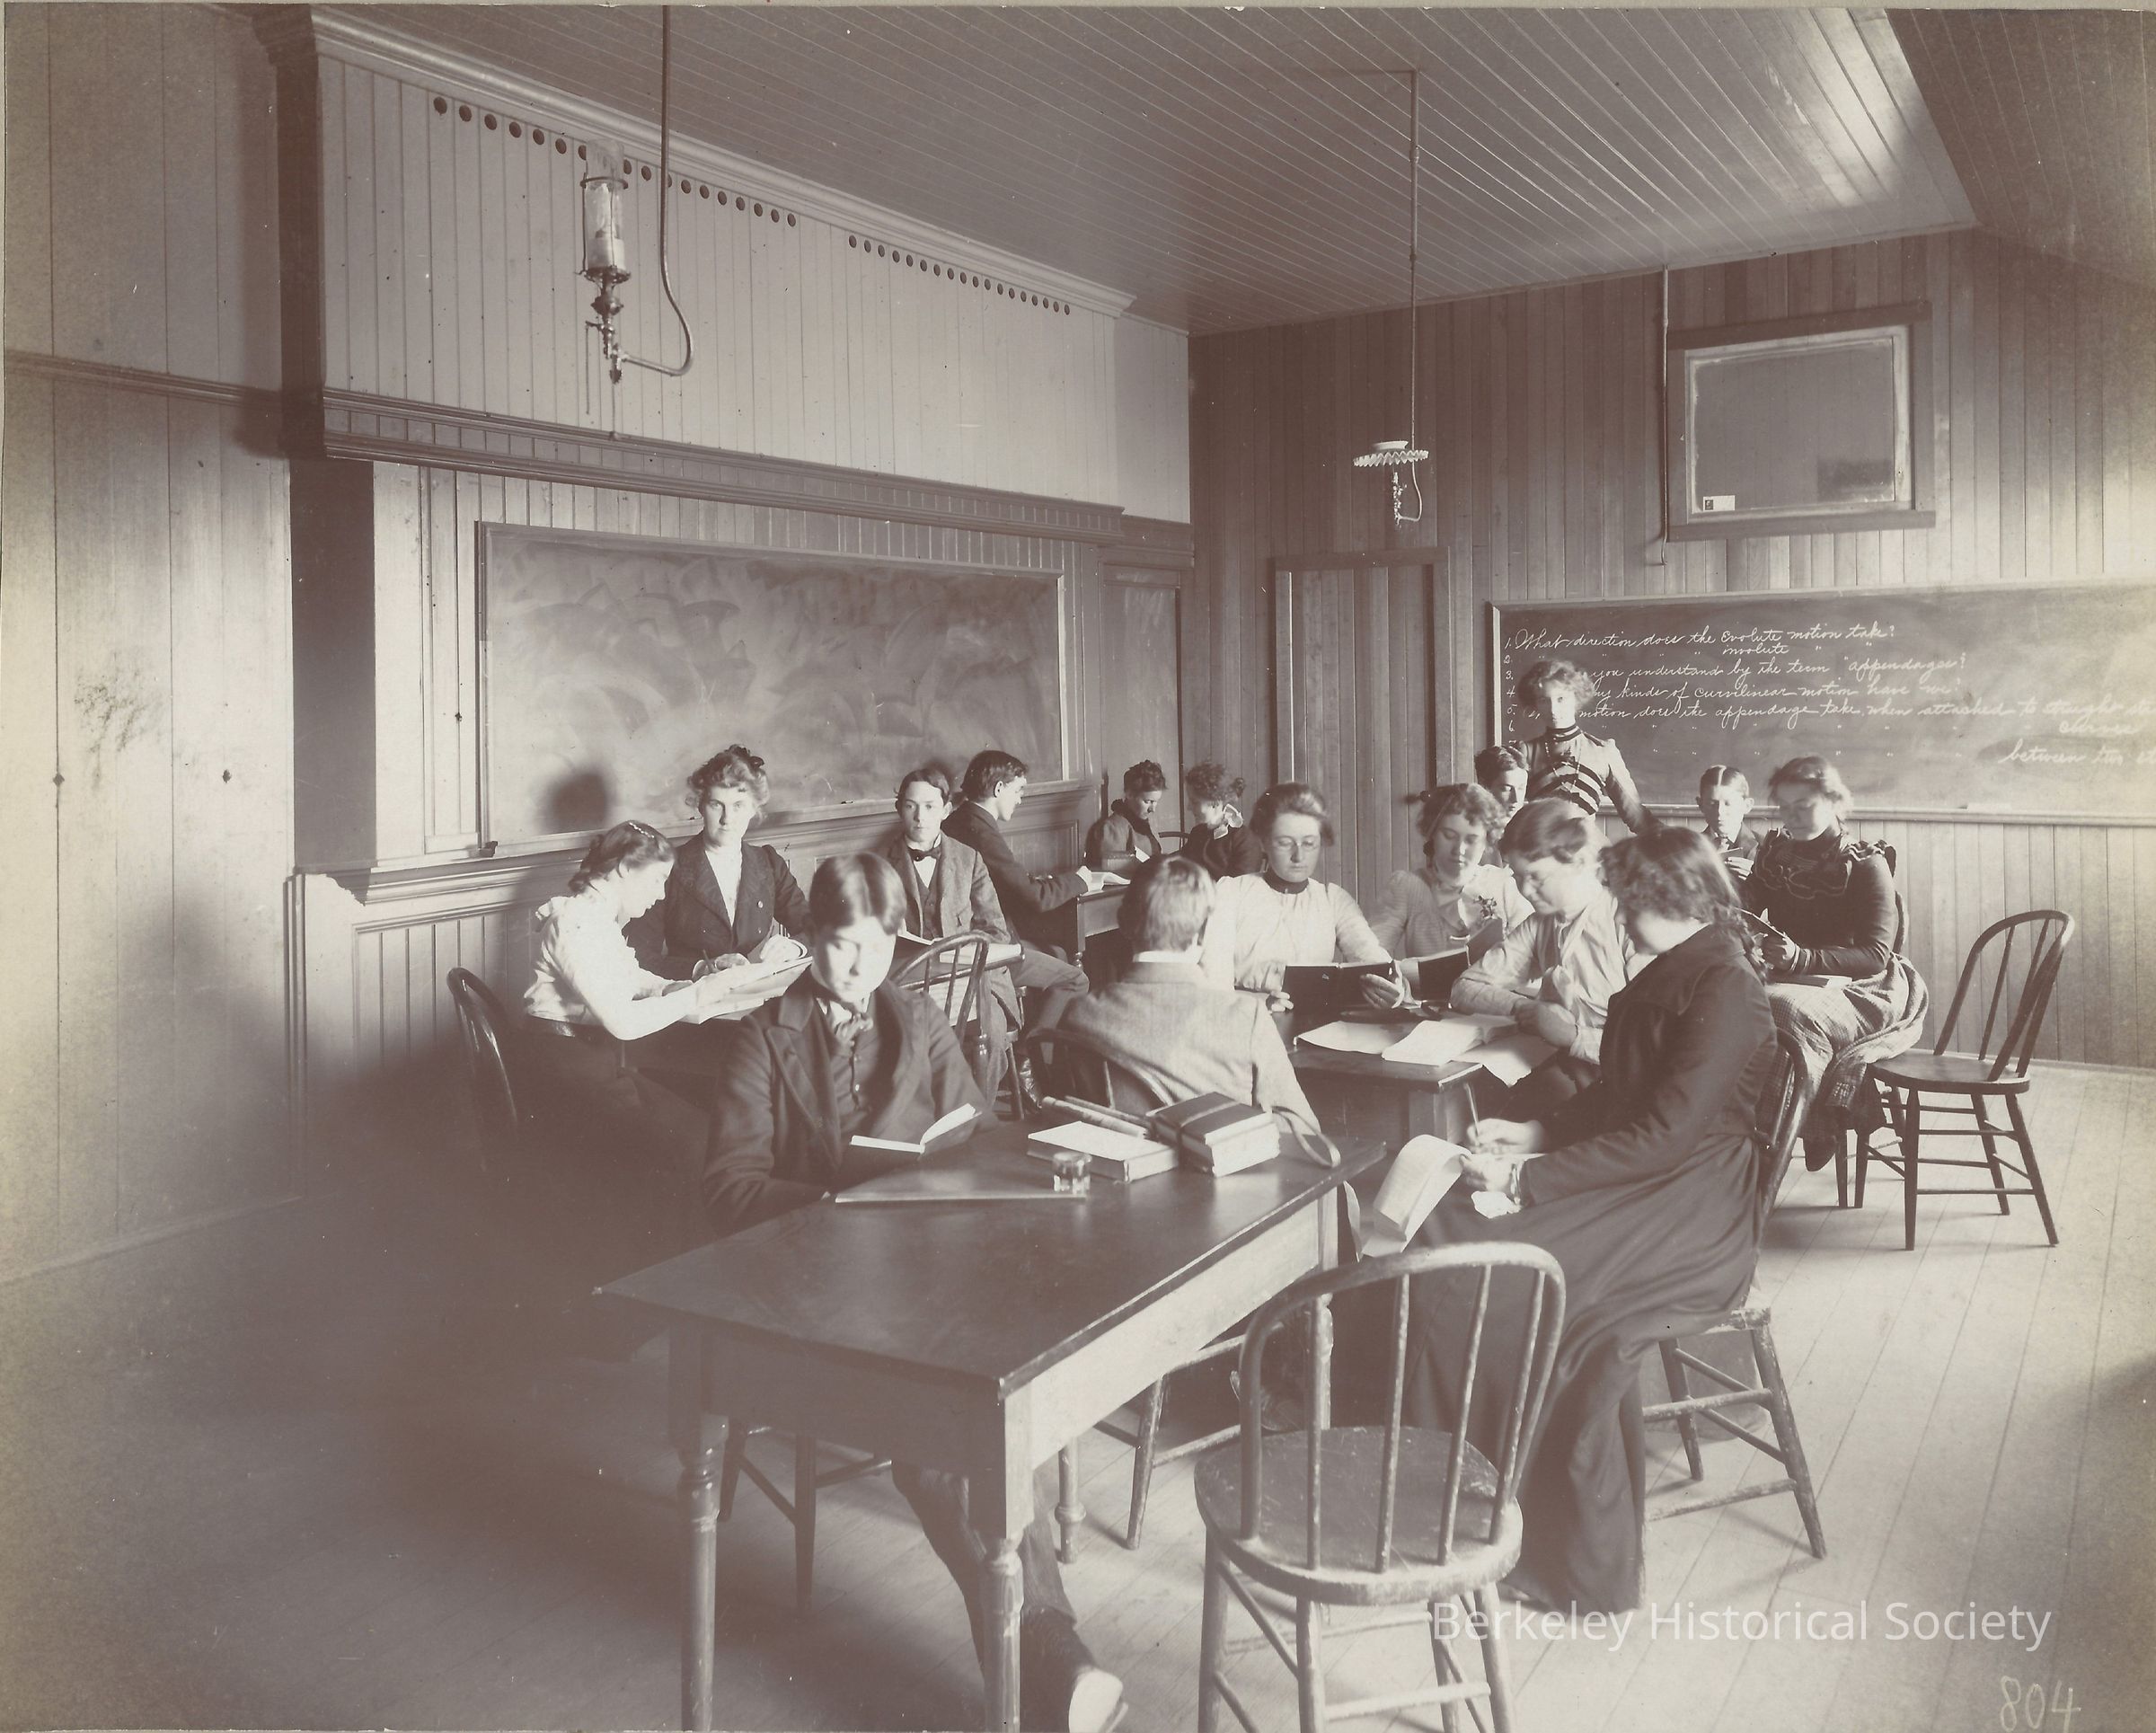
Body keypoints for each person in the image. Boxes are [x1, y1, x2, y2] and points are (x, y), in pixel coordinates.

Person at [703, 854, 1123, 1733]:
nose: (859, 967)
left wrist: (952, 1172)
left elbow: (975, 1135)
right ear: (812, 938)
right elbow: (729, 1189)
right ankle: (1052, 1662)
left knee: (997, 1402)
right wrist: (834, 1198)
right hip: (815, 1296)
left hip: (927, 1275)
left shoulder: (921, 1017)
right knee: (950, 1441)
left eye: (876, 946)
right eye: (839, 945)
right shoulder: (762, 1036)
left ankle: (1042, 1669)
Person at [1348, 827, 1777, 1613]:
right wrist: (1538, 1132)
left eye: (1628, 898)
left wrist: (1529, 1177)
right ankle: (1439, 1501)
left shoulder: (1727, 988)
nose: (1618, 910)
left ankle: (1496, 1523)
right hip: (1647, 1176)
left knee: (1499, 1277)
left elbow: (1664, 1135)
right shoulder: (1679, 965)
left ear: (1665, 899)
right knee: (1448, 1230)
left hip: (1692, 1202)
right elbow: (1621, 1095)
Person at [522, 822, 760, 1267]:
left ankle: (683, 1260)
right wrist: (695, 996)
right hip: (566, 1074)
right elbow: (623, 1023)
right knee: (688, 1142)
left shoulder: (595, 918)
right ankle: (669, 1268)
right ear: (622, 870)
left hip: (588, 1061)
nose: (659, 895)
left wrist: (681, 983)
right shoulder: (575, 923)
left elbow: (630, 977)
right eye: (656, 880)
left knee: (701, 1126)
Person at [1058, 855, 1323, 1145]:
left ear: (1124, 924)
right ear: (1204, 933)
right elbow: (1305, 1132)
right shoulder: (1245, 1017)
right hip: (1227, 1171)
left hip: (1121, 1168)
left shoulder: (1079, 1013)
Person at [1742, 756, 1912, 1169]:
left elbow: (1875, 955)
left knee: (1784, 1010)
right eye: (1784, 807)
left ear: (1835, 802)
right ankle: (1730, 1137)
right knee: (1724, 996)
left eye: (1804, 806)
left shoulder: (1866, 863)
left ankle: (1788, 1137)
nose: (1792, 817)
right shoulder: (1776, 855)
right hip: (1794, 977)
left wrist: (1802, 957)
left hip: (1864, 986)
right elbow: (1746, 907)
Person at [1450, 800, 1643, 1115]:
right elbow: (1465, 988)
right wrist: (1526, 1009)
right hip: (1579, 1076)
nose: (1526, 891)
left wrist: (1574, 1037)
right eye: (1518, 877)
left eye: (1537, 877)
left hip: (1633, 1087)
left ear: (1580, 862)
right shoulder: (1542, 922)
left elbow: (1653, 1048)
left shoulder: (1631, 923)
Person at [1199, 783, 1407, 1019]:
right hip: (1243, 1021)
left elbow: (1373, 958)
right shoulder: (1231, 893)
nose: (1299, 856)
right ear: (1264, 842)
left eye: (1309, 843)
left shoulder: (1332, 900)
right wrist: (1258, 1005)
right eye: (1285, 842)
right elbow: (1213, 980)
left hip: (1317, 1026)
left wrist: (1391, 989)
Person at [877, 765, 1025, 1095]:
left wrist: (963, 951)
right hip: (908, 986)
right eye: (911, 806)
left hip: (972, 981)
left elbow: (996, 931)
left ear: (945, 810)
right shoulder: (879, 863)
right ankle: (932, 1113)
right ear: (899, 809)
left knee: (991, 1034)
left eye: (930, 807)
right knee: (903, 1045)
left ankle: (977, 1114)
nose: (920, 817)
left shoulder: (969, 859)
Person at [626, 744, 812, 980]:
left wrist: (795, 947)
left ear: (754, 809)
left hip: (758, 990)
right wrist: (701, 968)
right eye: (716, 805)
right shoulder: (667, 869)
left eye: (738, 806)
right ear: (701, 806)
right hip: (692, 994)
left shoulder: (769, 863)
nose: (727, 819)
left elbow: (816, 929)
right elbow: (638, 957)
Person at [942, 748, 1097, 1030]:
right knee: (1076, 980)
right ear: (999, 788)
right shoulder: (981, 832)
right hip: (986, 951)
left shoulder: (962, 820)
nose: (1020, 799)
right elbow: (1035, 898)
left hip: (969, 943)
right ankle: (1034, 1049)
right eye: (1018, 790)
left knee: (1058, 953)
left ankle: (1033, 1047)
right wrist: (1080, 880)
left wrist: (1033, 882)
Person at [1371, 783, 1533, 963]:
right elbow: (1372, 952)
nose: (1459, 850)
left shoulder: (1503, 884)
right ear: (1432, 834)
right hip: (1424, 982)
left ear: (1487, 841)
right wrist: (1397, 975)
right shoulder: (1407, 886)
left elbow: (1530, 949)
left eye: (1471, 840)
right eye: (1449, 836)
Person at [1511, 659, 1654, 835]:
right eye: (1544, 700)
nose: (1553, 709)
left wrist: (1673, 841)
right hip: (1539, 846)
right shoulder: (1524, 752)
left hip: (1589, 846)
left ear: (1576, 698)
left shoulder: (1602, 751)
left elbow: (1637, 816)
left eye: (1561, 699)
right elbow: (1507, 812)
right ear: (1535, 704)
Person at [1177, 762, 1265, 880]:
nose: (1188, 807)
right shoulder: (1198, 832)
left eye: (1195, 802)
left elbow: (1242, 886)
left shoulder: (1243, 840)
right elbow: (1181, 864)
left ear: (1216, 802)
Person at [1084, 760, 1169, 873]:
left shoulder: (1146, 822)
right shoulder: (1112, 828)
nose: (1153, 809)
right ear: (1129, 794)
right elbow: (1109, 875)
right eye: (1148, 801)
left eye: (1156, 802)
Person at [1698, 765, 1760, 879]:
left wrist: (1754, 880)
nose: (1719, 812)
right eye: (1711, 803)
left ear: (1747, 805)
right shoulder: (1689, 847)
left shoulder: (1765, 847)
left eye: (1728, 804)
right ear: (1700, 805)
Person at [1474, 742, 1530, 839]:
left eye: (1521, 788)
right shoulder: (1472, 827)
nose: (1516, 799)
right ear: (1484, 786)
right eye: (1506, 789)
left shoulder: (1532, 825)